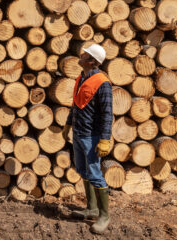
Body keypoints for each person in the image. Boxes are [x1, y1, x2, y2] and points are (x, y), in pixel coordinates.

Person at [62, 44, 113, 234]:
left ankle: (104, 215)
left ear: (92, 61)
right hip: (79, 133)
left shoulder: (103, 83)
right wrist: (68, 124)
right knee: (83, 170)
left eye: (85, 54)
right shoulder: (82, 78)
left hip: (92, 136)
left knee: (95, 174)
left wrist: (105, 139)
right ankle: (91, 209)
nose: (81, 55)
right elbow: (75, 104)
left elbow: (107, 114)